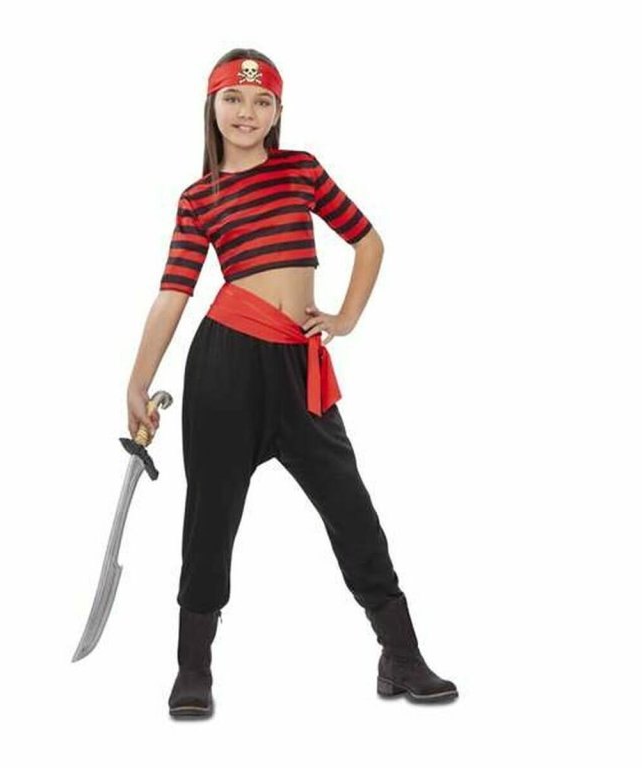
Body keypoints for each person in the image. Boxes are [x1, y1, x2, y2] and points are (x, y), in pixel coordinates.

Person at [126, 48, 458, 718]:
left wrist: (346, 318)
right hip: (225, 365)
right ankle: (193, 667)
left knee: (351, 508)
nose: (246, 113)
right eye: (233, 99)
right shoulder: (199, 197)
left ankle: (400, 654)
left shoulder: (300, 170)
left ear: (278, 112)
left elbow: (368, 243)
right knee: (211, 516)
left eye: (262, 101)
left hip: (298, 368)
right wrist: (138, 382)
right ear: (212, 107)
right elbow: (174, 293)